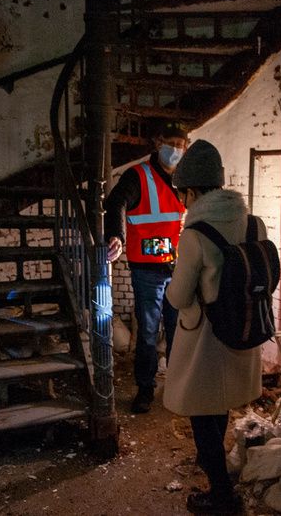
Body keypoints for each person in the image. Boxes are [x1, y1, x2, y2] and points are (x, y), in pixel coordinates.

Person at [164, 139, 264, 515]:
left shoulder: (194, 235)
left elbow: (177, 297)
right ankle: (217, 473)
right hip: (241, 331)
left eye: (183, 195)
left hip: (205, 342)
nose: (183, 202)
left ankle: (221, 495)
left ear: (192, 191)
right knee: (219, 408)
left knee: (202, 417)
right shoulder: (254, 223)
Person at [104, 122, 189, 413]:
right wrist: (114, 234)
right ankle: (145, 389)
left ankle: (178, 386)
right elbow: (115, 202)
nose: (175, 150)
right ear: (157, 142)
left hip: (178, 267)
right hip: (147, 271)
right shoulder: (138, 175)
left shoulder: (184, 179)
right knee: (149, 332)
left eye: (180, 145)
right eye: (170, 143)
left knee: (179, 330)